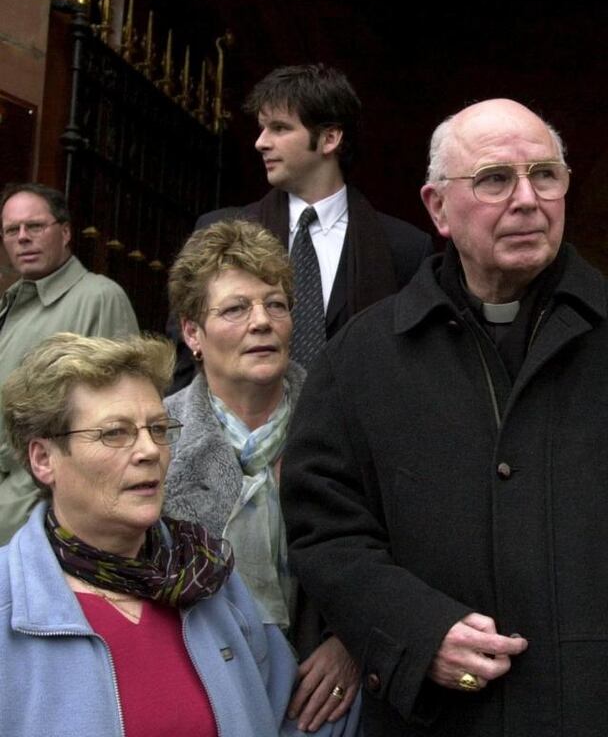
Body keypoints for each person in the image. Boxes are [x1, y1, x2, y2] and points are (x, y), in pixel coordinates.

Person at [281, 98, 608, 736]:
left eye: (546, 175)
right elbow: (325, 533)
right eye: (495, 179)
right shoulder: (363, 358)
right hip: (443, 720)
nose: (527, 199)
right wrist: (418, 631)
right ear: (437, 207)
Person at [0, 331, 356, 737]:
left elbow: (294, 716)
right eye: (115, 433)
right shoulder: (10, 607)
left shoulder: (207, 579)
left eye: (158, 428)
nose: (149, 450)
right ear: (43, 459)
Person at [163, 219, 359, 734]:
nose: (262, 322)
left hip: (322, 711)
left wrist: (353, 643)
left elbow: (398, 554)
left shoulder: (347, 425)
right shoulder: (156, 439)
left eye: (276, 304)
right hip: (195, 701)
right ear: (191, 333)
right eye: (235, 308)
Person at [170, 63, 432, 388]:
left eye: (279, 128)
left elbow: (416, 367)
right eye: (262, 128)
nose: (260, 142)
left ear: (329, 138)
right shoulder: (219, 231)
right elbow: (185, 356)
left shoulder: (404, 248)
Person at [0, 182, 138, 544]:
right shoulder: (9, 306)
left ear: (65, 232)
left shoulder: (99, 297)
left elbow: (114, 420)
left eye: (35, 226)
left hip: (41, 518)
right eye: (12, 230)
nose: (23, 237)